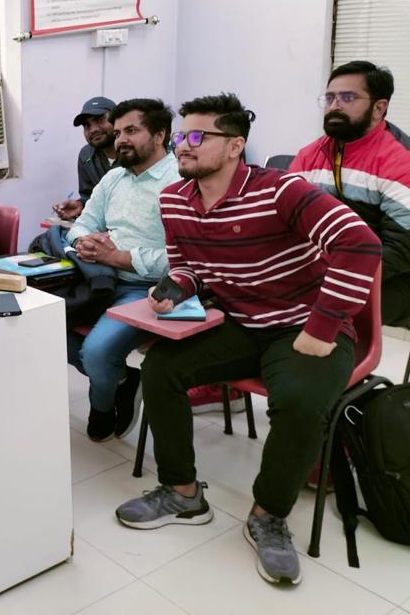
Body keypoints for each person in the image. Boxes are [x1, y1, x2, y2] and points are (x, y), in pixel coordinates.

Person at [115, 93, 381, 587]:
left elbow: (360, 244)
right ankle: (183, 493)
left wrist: (322, 328)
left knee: (300, 403)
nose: (183, 145)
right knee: (160, 367)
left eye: (198, 136)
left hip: (305, 325)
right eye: (180, 136)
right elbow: (189, 266)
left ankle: (268, 515)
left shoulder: (281, 190)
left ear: (235, 145)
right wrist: (176, 287)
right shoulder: (174, 199)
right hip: (241, 321)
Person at [64, 99, 178, 442]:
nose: (121, 140)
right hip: (100, 277)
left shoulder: (180, 181)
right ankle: (123, 380)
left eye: (131, 131)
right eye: (118, 133)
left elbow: (182, 259)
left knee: (97, 352)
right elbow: (81, 224)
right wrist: (84, 242)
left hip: (149, 287)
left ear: (159, 135)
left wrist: (118, 257)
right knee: (41, 324)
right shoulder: (114, 177)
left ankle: (102, 406)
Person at [290, 60, 410, 327]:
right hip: (328, 268)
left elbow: (401, 249)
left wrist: (333, 277)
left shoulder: (401, 160)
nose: (334, 106)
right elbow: (285, 223)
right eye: (330, 98)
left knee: (307, 309)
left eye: (347, 98)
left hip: (390, 276)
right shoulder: (309, 155)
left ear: (379, 108)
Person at [53, 96, 118, 221]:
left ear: (117, 120)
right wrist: (81, 205)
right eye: (87, 125)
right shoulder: (86, 155)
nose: (93, 130)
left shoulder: (133, 153)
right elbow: (90, 197)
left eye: (100, 120)